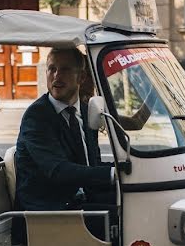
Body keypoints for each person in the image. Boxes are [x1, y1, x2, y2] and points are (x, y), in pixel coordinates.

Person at [14, 48, 115, 211]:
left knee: (136, 202)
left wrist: (124, 168)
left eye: (65, 70)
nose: (56, 76)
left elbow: (92, 163)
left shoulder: (86, 111)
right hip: (49, 212)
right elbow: (58, 170)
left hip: (81, 200)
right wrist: (112, 175)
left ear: (81, 77)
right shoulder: (37, 116)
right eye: (52, 69)